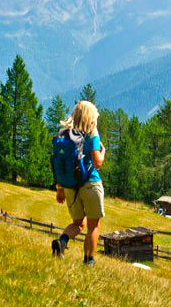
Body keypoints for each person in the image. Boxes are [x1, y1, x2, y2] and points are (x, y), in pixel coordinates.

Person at [51, 100, 106, 266]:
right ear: (91, 116)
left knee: (77, 224)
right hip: (90, 183)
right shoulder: (91, 133)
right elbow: (97, 162)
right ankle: (88, 260)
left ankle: (62, 241)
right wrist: (103, 151)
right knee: (93, 225)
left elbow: (59, 163)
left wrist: (59, 188)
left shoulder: (64, 133)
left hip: (69, 186)